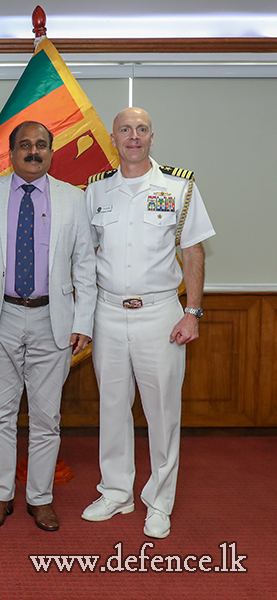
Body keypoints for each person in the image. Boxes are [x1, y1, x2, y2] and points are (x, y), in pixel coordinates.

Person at [81, 107, 215, 539]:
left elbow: (193, 251)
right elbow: (84, 255)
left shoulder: (178, 187)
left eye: (141, 129)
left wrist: (192, 313)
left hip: (161, 314)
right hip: (107, 311)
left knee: (162, 413)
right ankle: (116, 492)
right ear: (114, 139)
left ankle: (159, 501)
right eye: (125, 130)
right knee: (112, 408)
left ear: (152, 137)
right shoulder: (96, 190)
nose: (134, 136)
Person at [0, 121, 96, 532]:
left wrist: (83, 322)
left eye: (40, 145)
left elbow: (85, 266)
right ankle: (0, 496)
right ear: (12, 152)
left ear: (51, 152)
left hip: (53, 320)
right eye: (25, 145)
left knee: (46, 417)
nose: (33, 151)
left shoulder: (73, 198)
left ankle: (40, 498)